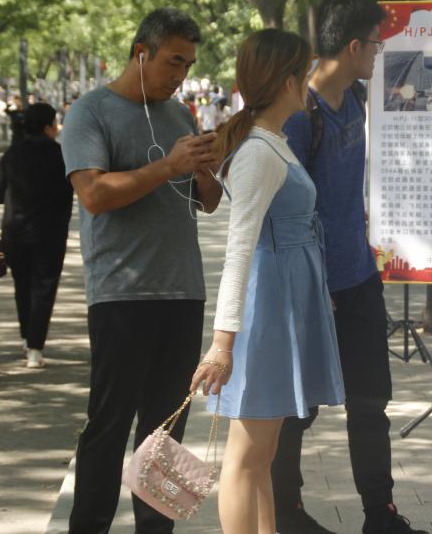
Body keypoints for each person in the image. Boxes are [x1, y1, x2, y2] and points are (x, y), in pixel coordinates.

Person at [61, 7, 222, 533]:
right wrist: (168, 166)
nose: (182, 75)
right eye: (174, 61)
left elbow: (208, 202)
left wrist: (205, 171)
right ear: (141, 53)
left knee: (165, 433)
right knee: (108, 426)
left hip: (183, 292)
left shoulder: (180, 116)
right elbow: (93, 194)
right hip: (121, 293)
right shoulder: (91, 112)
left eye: (188, 64)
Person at [275, 0, 426, 534]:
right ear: (355, 47)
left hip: (359, 278)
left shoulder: (355, 99)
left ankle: (379, 514)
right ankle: (286, 514)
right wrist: (313, 286)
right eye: (377, 45)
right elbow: (286, 207)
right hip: (313, 287)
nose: (380, 54)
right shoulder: (299, 114)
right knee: (297, 408)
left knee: (370, 401)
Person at [190, 30, 344, 534]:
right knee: (246, 457)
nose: (311, 81)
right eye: (305, 72)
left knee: (262, 453)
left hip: (283, 306)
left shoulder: (271, 141)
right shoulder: (258, 150)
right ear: (286, 81)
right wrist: (222, 345)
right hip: (268, 311)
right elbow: (239, 252)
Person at [0, 102, 73, 369]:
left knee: (22, 285)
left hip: (15, 231)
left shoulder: (13, 153)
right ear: (48, 126)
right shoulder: (61, 155)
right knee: (44, 288)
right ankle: (35, 347)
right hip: (50, 232)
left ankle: (27, 337)